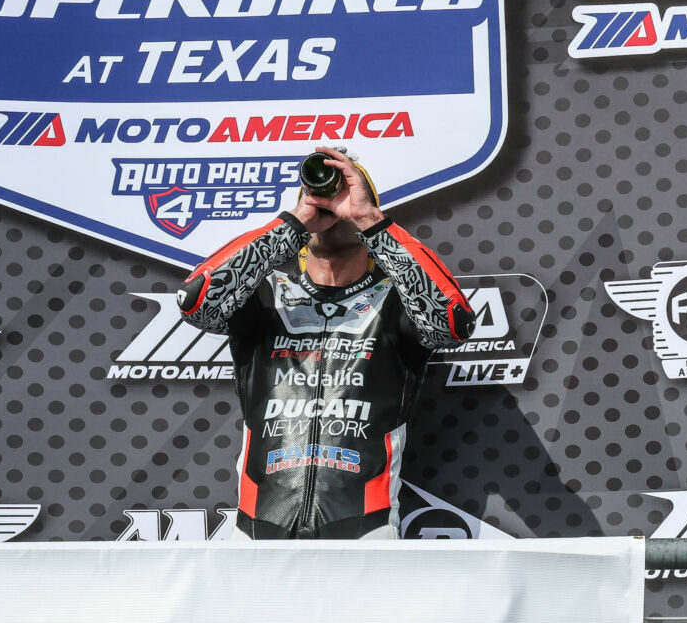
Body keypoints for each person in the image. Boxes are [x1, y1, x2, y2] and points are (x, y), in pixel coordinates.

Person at [176, 147, 474, 538]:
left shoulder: (396, 301)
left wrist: (368, 219)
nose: (332, 207)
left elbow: (450, 323)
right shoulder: (267, 297)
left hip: (365, 532)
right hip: (256, 532)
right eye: (317, 198)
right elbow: (197, 302)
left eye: (345, 196)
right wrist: (296, 221)